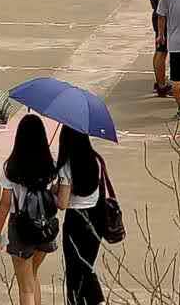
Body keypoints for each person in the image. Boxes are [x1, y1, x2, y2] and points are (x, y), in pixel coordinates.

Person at [0, 114, 65, 305]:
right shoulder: (51, 165)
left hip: (21, 227)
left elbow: (5, 203)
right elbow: (55, 194)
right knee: (32, 275)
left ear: (19, 137)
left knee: (25, 288)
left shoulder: (11, 167)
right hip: (45, 227)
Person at [56, 125, 107, 305]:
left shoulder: (68, 165)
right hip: (97, 218)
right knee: (87, 266)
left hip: (76, 221)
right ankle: (96, 301)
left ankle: (84, 301)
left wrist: (54, 192)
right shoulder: (96, 160)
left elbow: (62, 204)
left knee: (74, 271)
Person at [147, 0, 176, 96]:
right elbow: (161, 1)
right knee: (161, 51)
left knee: (160, 50)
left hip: (158, 15)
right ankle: (161, 84)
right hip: (161, 17)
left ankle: (160, 80)